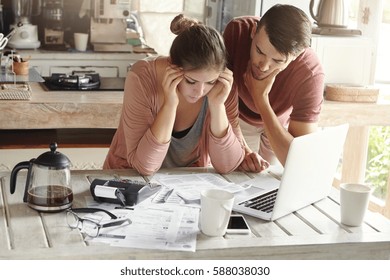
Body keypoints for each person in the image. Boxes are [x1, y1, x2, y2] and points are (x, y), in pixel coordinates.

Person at [103, 14, 245, 176]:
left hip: (184, 186)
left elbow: (228, 165)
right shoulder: (142, 77)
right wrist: (170, 104)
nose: (200, 92)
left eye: (210, 82)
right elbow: (144, 166)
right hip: (127, 179)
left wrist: (217, 106)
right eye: (191, 81)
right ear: (172, 66)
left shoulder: (223, 85)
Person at [223, 4, 325, 172]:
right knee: (238, 173)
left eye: (277, 61)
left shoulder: (310, 73)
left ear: (297, 55)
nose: (263, 66)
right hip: (236, 115)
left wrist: (260, 98)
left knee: (272, 179)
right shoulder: (237, 31)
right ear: (254, 31)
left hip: (278, 122)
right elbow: (219, 103)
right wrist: (244, 150)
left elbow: (300, 161)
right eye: (259, 51)